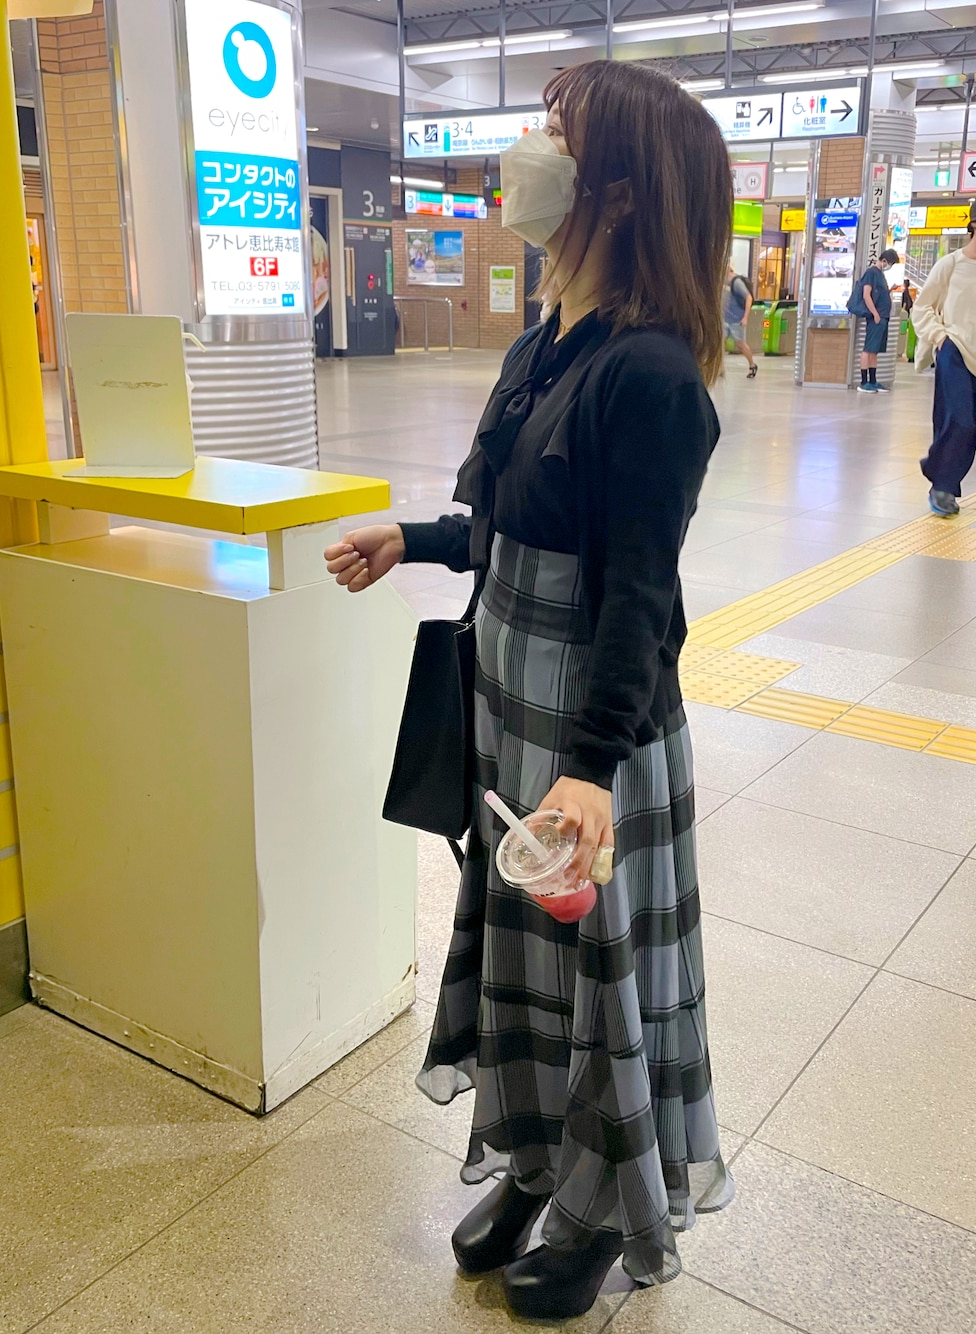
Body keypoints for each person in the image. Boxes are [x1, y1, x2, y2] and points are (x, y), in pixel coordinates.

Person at [324, 61, 734, 1322]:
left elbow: (636, 594)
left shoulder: (651, 375)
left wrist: (590, 769)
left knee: (594, 976)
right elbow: (510, 523)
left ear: (619, 187)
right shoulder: (544, 341)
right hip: (509, 702)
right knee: (522, 955)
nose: (526, 151)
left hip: (586, 731)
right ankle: (536, 1161)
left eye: (553, 133)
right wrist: (414, 538)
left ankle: (604, 1208)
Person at [913, 212, 976, 517]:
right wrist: (940, 338)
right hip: (956, 351)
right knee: (960, 420)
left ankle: (941, 474)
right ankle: (943, 486)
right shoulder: (951, 265)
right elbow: (922, 307)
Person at [857, 248, 899, 392]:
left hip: (883, 317)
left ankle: (873, 381)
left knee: (874, 350)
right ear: (884, 260)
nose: (889, 266)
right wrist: (875, 313)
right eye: (890, 263)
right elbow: (866, 295)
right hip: (876, 317)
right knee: (868, 348)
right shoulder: (871, 273)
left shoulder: (880, 274)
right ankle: (864, 382)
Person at [723, 264, 757, 378]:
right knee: (720, 343)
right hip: (724, 318)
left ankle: (752, 365)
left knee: (740, 344)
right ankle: (719, 368)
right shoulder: (721, 281)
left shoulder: (736, 282)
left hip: (736, 319)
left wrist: (745, 317)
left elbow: (749, 298)